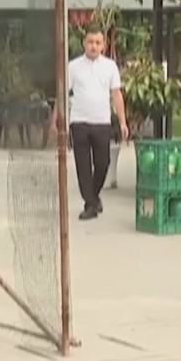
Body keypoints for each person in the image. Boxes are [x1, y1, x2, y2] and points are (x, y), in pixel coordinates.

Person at [61, 30, 129, 219]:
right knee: (83, 166)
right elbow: (63, 93)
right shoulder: (73, 67)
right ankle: (90, 205)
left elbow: (116, 94)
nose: (93, 46)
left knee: (103, 163)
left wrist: (123, 121)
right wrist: (57, 120)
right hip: (79, 121)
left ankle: (93, 197)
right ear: (84, 43)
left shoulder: (110, 67)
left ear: (103, 45)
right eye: (90, 42)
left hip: (102, 122)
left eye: (98, 42)